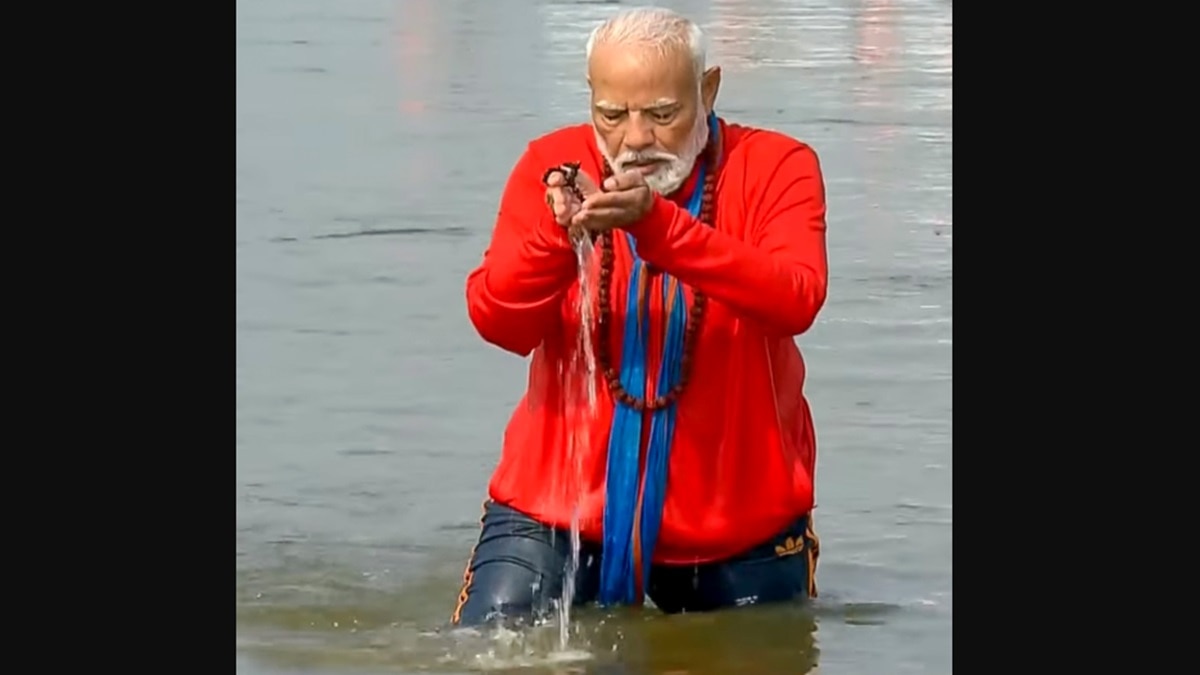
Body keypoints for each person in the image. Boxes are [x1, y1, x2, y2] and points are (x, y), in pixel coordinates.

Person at [453, 6, 829, 627]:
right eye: (612, 114)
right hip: (558, 511)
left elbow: (797, 296)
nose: (635, 138)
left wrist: (661, 228)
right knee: (487, 655)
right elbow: (498, 322)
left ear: (707, 90)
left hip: (737, 523)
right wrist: (557, 237)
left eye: (662, 114)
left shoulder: (777, 166)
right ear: (591, 101)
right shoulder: (552, 166)